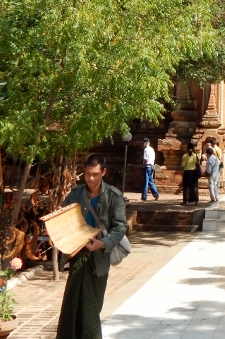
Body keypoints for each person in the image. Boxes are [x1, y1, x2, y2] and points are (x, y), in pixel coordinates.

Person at [56, 153, 127, 339]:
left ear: (104, 172)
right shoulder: (76, 194)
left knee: (91, 310)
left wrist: (102, 243)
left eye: (95, 174)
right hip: (77, 256)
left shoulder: (113, 196)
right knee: (71, 307)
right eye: (88, 174)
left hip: (99, 259)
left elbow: (120, 227)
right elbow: (62, 216)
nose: (91, 178)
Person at [142, 137, 159, 202]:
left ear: (146, 143)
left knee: (146, 182)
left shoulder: (146, 150)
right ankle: (156, 194)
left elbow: (145, 159)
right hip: (152, 166)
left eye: (143, 143)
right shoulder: (152, 149)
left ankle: (144, 197)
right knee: (151, 181)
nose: (143, 144)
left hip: (147, 166)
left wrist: (143, 165)